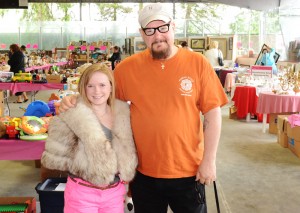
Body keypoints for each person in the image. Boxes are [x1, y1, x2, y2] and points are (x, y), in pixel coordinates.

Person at [59, 3, 228, 213]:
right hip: (144, 174)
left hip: (189, 172)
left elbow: (213, 113)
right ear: (142, 34)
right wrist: (73, 102)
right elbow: (100, 94)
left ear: (173, 26)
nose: (157, 36)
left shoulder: (197, 63)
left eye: (163, 28)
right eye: (150, 30)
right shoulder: (127, 69)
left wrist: (209, 161)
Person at [41, 63, 138, 213]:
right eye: (90, 85)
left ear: (111, 87)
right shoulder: (72, 114)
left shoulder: (124, 112)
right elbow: (55, 157)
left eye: (102, 85)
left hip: (115, 193)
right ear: (83, 88)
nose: (97, 91)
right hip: (82, 192)